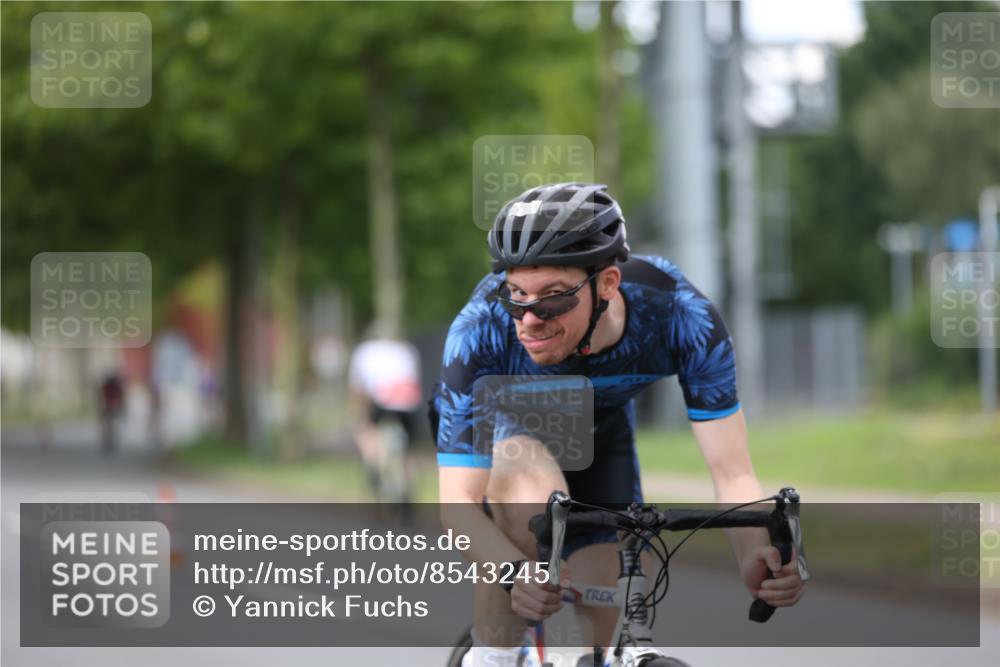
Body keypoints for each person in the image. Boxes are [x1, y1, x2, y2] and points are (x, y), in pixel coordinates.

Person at [430, 183, 805, 666]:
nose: (528, 320)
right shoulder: (480, 328)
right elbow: (455, 506)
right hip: (501, 432)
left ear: (607, 283)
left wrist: (756, 552)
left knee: (604, 612)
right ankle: (493, 657)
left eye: (552, 299)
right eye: (516, 294)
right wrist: (512, 573)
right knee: (533, 503)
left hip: (598, 435)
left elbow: (732, 472)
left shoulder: (681, 316)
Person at [348, 323, 423, 505]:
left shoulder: (365, 351)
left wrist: (358, 414)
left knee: (367, 434)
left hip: (382, 401)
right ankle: (407, 483)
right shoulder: (407, 350)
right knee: (408, 450)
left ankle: (374, 470)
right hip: (409, 402)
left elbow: (358, 389)